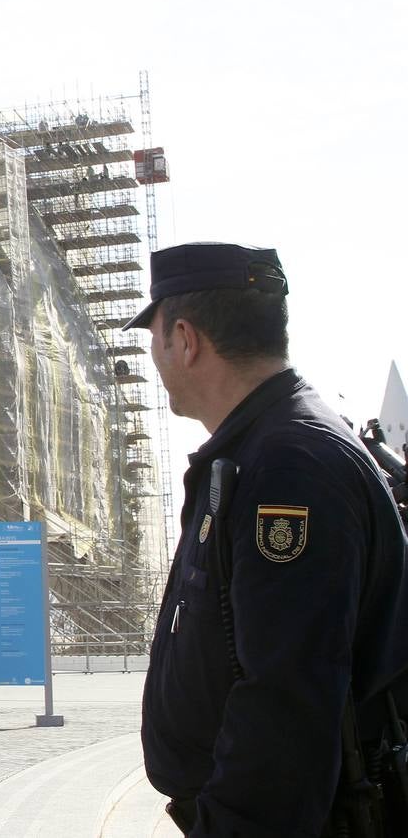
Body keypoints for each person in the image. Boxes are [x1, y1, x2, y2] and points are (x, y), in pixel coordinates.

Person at [128, 243, 408, 836]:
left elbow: (286, 701)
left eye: (153, 337)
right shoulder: (263, 448)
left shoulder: (288, 466)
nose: (153, 356)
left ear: (184, 338)